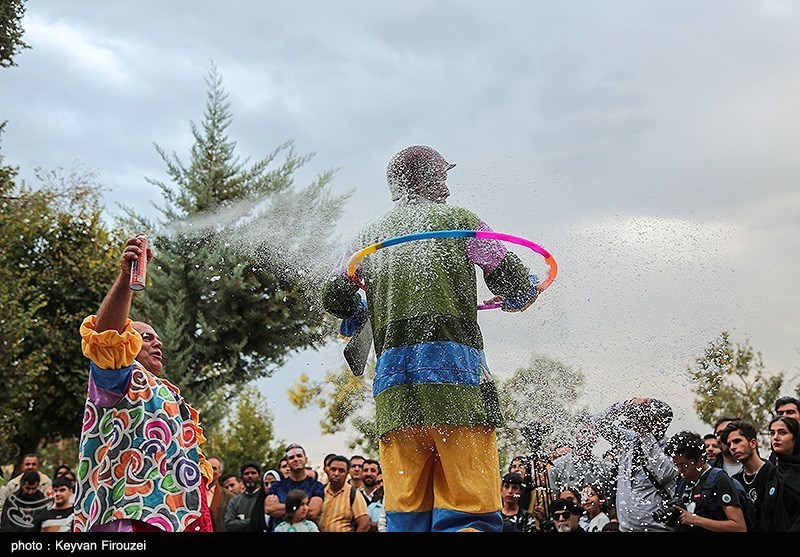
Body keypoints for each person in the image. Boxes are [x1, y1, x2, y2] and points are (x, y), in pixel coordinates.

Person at [322, 145, 540, 532]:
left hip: (396, 399)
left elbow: (334, 296)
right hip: (458, 391)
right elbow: (515, 281)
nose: (447, 188)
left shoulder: (367, 238)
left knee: (406, 515)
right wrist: (522, 294)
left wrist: (358, 308)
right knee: (469, 510)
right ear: (427, 179)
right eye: (441, 177)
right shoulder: (460, 222)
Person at [74, 235, 213, 532]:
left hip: (179, 521)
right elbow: (106, 336)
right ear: (128, 345)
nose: (157, 341)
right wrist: (126, 278)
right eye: (145, 337)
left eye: (157, 337)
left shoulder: (167, 392)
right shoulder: (118, 378)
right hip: (130, 522)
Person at [591, 397, 678, 532]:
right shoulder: (630, 441)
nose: (643, 419)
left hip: (658, 528)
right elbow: (598, 422)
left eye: (650, 417)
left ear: (662, 423)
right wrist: (625, 405)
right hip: (626, 527)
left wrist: (645, 434)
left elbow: (665, 473)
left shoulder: (669, 447)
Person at [664, 430, 750, 532]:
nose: (680, 470)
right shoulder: (683, 482)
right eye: (677, 465)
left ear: (701, 460)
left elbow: (739, 527)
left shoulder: (719, 480)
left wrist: (696, 520)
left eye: (684, 465)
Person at [548, 416, 616, 507]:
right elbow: (554, 499)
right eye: (583, 432)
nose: (587, 436)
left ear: (595, 437)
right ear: (574, 435)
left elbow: (609, 501)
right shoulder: (557, 467)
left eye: (591, 433)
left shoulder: (606, 468)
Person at [721, 419, 775, 532]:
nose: (732, 447)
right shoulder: (735, 481)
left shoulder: (773, 473)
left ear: (753, 443)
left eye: (737, 441)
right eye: (729, 444)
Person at [266, 444, 325, 526]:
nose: (296, 459)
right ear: (287, 463)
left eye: (299, 456)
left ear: (306, 459)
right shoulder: (277, 486)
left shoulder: (316, 486)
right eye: (291, 457)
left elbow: (312, 513)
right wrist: (303, 508)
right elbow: (269, 509)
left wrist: (282, 508)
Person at [760, 415, 800, 531]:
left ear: (796, 438)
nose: (775, 438)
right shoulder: (772, 473)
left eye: (782, 433)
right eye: (772, 433)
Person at [318, 455, 370, 532]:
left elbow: (364, 525)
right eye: (333, 469)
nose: (336, 473)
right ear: (328, 470)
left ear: (347, 473)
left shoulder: (354, 494)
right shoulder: (320, 492)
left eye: (341, 471)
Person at [224, 461, 262, 532]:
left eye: (253, 473)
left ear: (260, 477)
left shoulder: (266, 498)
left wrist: (240, 523)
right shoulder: (234, 501)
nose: (250, 476)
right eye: (246, 473)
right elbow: (229, 525)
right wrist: (254, 521)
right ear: (242, 478)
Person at [207, 456, 233, 532]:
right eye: (207, 467)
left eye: (214, 468)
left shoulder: (229, 497)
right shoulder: (192, 493)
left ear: (220, 473)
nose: (210, 470)